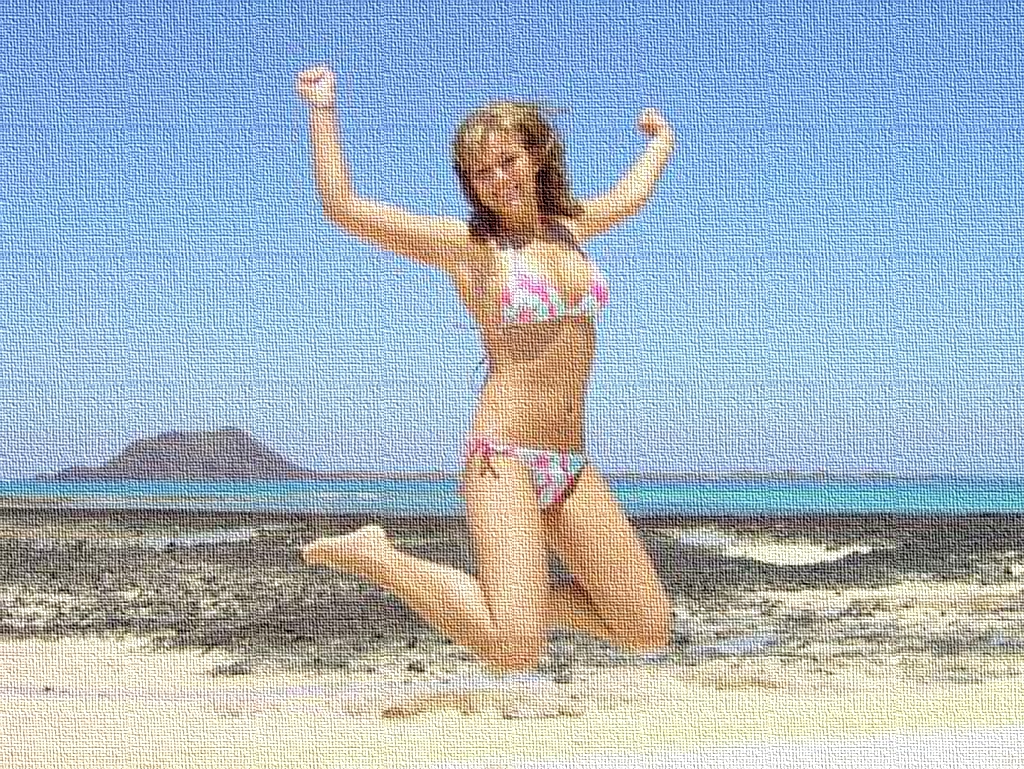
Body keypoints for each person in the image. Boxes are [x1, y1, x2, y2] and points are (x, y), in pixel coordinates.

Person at [297, 65, 675, 675]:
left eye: (506, 161)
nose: (496, 179)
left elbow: (631, 194)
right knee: (514, 648)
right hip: (503, 457)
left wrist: (661, 143)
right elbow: (345, 208)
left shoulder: (572, 229)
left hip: (570, 464)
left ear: (537, 157)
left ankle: (517, 604)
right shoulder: (468, 246)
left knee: (645, 627)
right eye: (479, 171)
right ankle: (378, 557)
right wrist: (322, 108)